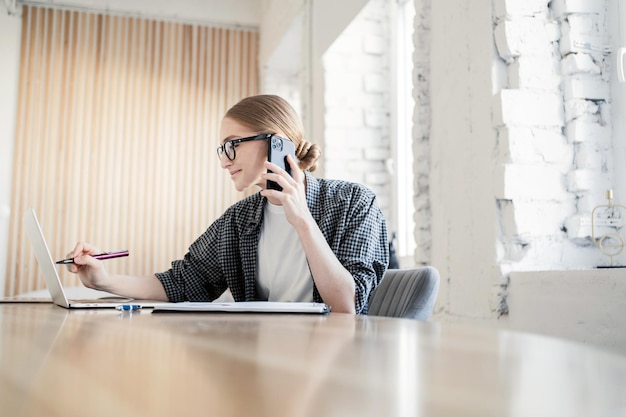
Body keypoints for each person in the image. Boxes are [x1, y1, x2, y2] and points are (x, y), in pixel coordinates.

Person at [66, 94, 389, 314]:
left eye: (231, 146)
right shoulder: (240, 219)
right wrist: (104, 280)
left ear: (277, 143)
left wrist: (302, 220)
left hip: (334, 361)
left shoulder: (352, 203)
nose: (224, 161)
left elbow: (349, 304)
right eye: (221, 150)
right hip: (261, 354)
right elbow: (182, 282)